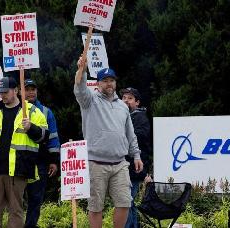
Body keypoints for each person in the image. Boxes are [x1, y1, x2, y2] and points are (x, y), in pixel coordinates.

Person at [74, 57, 144, 228]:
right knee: (96, 206)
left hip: (120, 163)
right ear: (98, 84)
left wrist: (136, 155)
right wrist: (81, 71)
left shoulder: (123, 106)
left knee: (125, 203)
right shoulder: (89, 101)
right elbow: (80, 89)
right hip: (96, 163)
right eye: (105, 81)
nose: (109, 84)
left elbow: (130, 133)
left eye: (111, 80)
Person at [0, 77, 49, 228]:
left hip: (18, 171)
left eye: (6, 92)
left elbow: (44, 137)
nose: (2, 95)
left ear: (16, 91)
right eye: (0, 92)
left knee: (16, 212)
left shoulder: (33, 112)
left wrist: (31, 128)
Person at [24, 79, 61, 228]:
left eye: (33, 89)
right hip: (17, 162)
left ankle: (30, 226)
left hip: (39, 162)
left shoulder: (46, 112)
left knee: (36, 199)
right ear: (20, 91)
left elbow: (53, 137)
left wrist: (53, 161)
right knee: (16, 200)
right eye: (27, 89)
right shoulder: (15, 109)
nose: (31, 92)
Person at [120, 87, 151, 228]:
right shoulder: (122, 115)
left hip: (134, 167)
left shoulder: (140, 117)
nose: (126, 101)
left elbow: (139, 137)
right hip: (124, 166)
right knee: (128, 202)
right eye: (124, 98)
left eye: (130, 98)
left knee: (126, 201)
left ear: (137, 102)